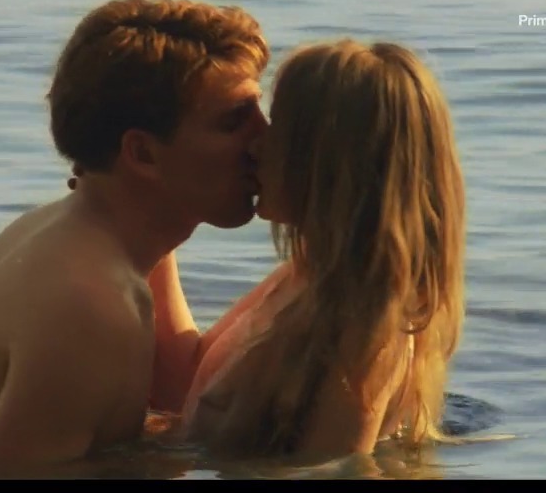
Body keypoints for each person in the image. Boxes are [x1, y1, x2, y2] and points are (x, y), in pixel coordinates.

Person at [0, 0, 270, 473]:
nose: (265, 139)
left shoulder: (104, 236)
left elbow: (179, 388)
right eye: (234, 122)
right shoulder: (92, 300)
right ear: (143, 155)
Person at [149, 38, 467, 464]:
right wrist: (155, 224)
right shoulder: (309, 276)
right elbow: (190, 384)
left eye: (279, 127)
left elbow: (332, 472)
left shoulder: (366, 327)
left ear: (327, 160)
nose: (256, 146)